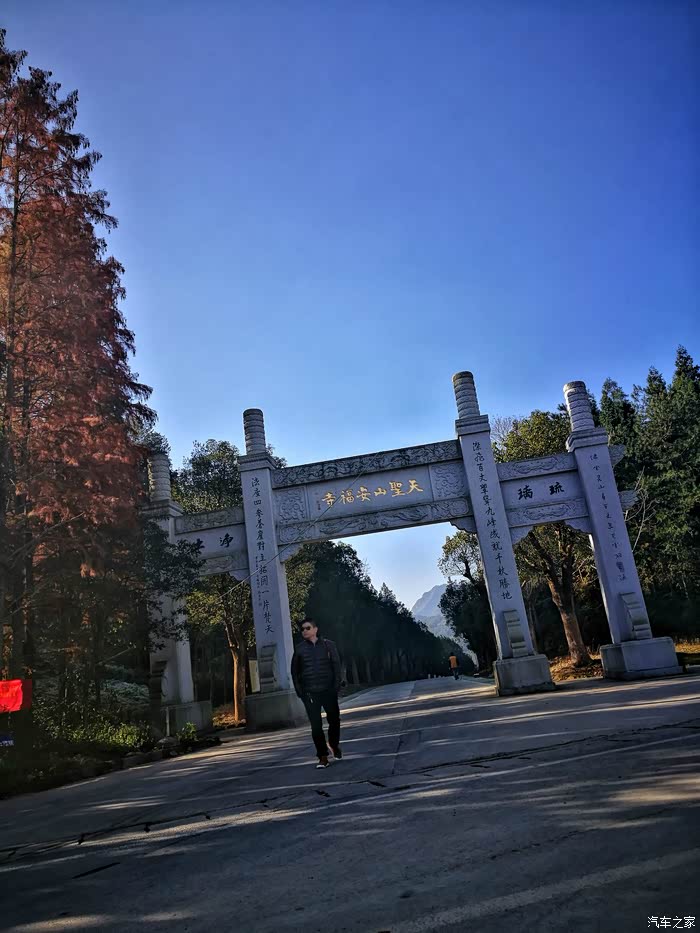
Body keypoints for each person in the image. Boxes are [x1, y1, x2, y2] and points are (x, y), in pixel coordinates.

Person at [291, 618, 343, 769]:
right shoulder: (299, 649)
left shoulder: (328, 645)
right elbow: (295, 672)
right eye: (302, 629)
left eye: (307, 628)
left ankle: (333, 744)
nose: (304, 631)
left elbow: (336, 667)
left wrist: (335, 687)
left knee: (334, 721)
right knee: (316, 726)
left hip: (328, 690)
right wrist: (300, 692)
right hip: (310, 693)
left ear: (315, 629)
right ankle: (322, 756)